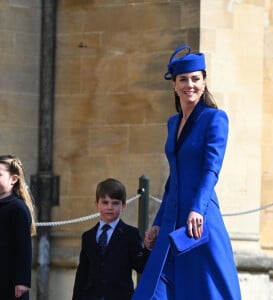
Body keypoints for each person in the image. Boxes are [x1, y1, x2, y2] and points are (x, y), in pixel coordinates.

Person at [132, 45, 242, 300]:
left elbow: (211, 169)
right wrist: (158, 223)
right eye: (183, 79)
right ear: (174, 84)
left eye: (195, 79)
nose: (189, 85)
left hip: (199, 218)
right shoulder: (173, 122)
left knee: (207, 290)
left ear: (204, 83)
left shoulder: (215, 118)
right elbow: (174, 179)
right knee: (153, 293)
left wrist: (196, 208)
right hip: (172, 219)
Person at [72, 178, 150, 300]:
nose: (110, 207)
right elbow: (82, 275)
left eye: (115, 203)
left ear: (123, 205)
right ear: (96, 204)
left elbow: (140, 265)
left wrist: (149, 247)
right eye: (105, 202)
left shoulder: (130, 234)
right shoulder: (88, 236)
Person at [0, 154, 36, 300]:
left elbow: (24, 246)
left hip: (10, 281)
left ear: (13, 179)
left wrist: (22, 280)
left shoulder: (17, 207)